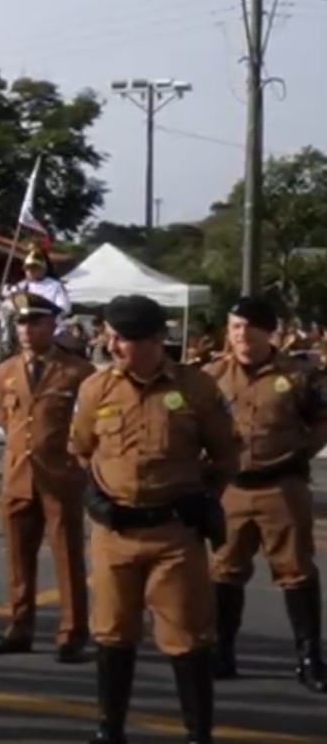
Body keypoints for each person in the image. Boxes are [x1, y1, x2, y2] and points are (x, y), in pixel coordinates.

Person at [71, 294, 240, 744]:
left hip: (173, 533)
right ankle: (110, 729)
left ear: (154, 340)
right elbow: (82, 450)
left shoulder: (197, 388)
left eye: (122, 339)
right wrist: (97, 493)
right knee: (112, 633)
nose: (113, 346)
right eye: (111, 337)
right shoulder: (96, 389)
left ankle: (197, 733)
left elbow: (226, 454)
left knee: (188, 637)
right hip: (114, 532)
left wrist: (204, 500)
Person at [203, 295, 327, 693]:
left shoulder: (297, 375)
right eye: (234, 326)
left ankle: (309, 658)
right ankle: (222, 651)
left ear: (268, 331)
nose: (240, 335)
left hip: (282, 487)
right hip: (231, 489)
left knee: (297, 571)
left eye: (248, 327)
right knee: (224, 571)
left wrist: (297, 456)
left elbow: (322, 422)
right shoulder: (211, 376)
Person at [0, 293, 96, 662]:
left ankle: (72, 632)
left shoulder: (77, 372)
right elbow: (6, 417)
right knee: (18, 556)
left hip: (60, 475)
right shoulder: (6, 370)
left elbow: (87, 424)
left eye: (35, 322)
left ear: (53, 324)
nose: (27, 330)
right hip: (18, 474)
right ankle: (19, 627)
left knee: (67, 556)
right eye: (21, 323)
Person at [2, 244, 72, 335]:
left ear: (42, 269)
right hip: (26, 327)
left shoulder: (55, 286)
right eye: (27, 269)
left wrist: (47, 313)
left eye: (33, 268)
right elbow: (10, 302)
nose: (30, 271)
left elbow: (64, 308)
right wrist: (1, 304)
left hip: (52, 329)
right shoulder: (20, 286)